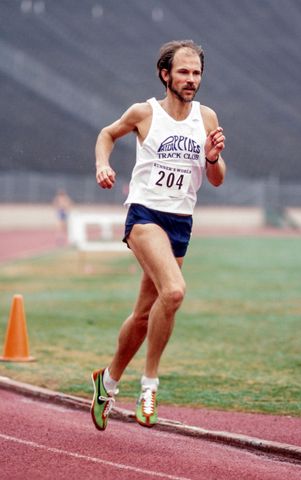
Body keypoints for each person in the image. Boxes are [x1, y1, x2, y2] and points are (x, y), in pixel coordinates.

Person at [91, 39, 226, 431]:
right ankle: (149, 384)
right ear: (165, 74)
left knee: (144, 313)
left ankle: (107, 382)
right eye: (183, 72)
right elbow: (106, 134)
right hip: (145, 214)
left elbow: (216, 179)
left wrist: (213, 156)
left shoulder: (207, 118)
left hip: (181, 221)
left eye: (196, 72)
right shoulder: (144, 112)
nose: (191, 79)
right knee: (175, 291)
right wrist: (103, 164)